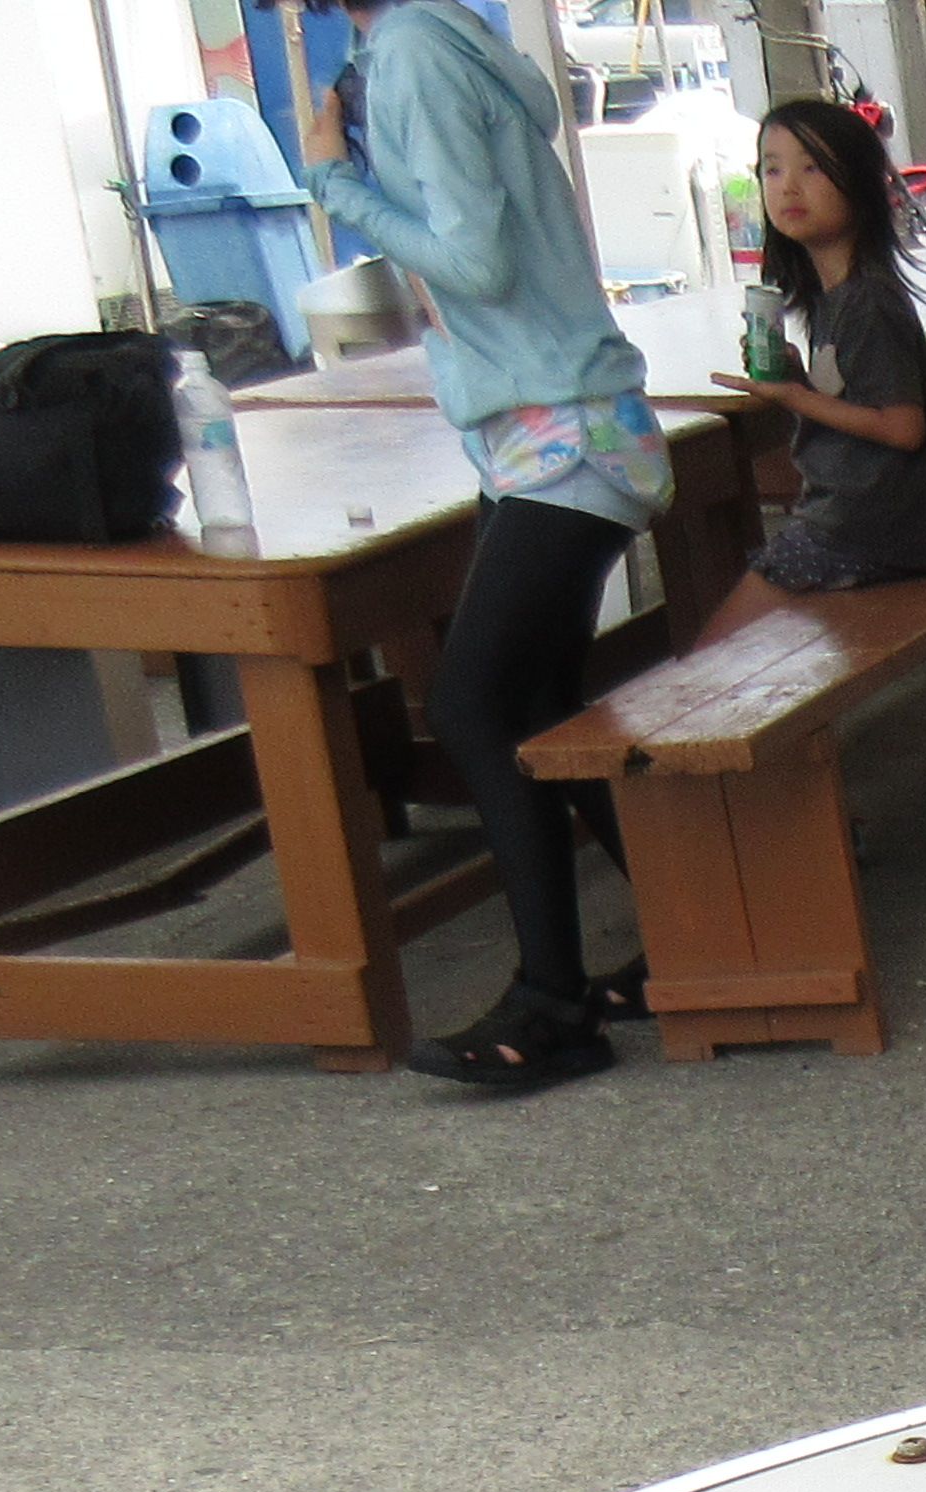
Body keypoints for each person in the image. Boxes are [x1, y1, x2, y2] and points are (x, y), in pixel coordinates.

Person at [304, 0, 668, 1092]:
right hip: (550, 420)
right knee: (540, 706)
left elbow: (474, 260)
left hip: (563, 427)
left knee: (470, 704)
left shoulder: (414, 53)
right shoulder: (433, 38)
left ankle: (554, 1005)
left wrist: (333, 180)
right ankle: (695, 934)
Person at [706, 101, 926, 622]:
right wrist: (798, 379)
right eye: (773, 169)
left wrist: (796, 397)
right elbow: (857, 399)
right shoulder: (834, 296)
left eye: (812, 168)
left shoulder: (867, 302)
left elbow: (904, 428)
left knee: (720, 652)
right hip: (861, 531)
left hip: (858, 536)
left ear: (860, 184)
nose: (788, 187)